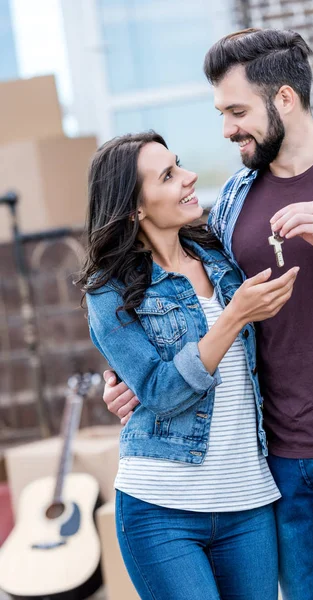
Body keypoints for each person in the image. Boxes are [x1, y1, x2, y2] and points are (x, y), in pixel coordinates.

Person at [102, 28, 313, 600]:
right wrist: (131, 376)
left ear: (284, 99)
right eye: (221, 112)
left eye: (237, 111)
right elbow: (188, 304)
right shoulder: (232, 201)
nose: (226, 129)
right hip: (283, 462)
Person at [79, 131, 300, 600]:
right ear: (135, 207)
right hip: (161, 509)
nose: (189, 176)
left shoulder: (221, 254)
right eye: (168, 175)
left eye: (178, 164)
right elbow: (159, 391)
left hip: (248, 502)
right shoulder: (108, 291)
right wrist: (233, 315)